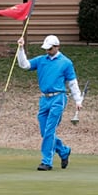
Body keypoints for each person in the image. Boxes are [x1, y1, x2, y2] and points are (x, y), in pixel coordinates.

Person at [16, 34, 84, 171]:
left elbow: (72, 82)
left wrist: (78, 100)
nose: (47, 51)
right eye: (46, 48)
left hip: (58, 98)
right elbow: (24, 65)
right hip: (44, 99)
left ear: (57, 47)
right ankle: (64, 150)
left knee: (49, 130)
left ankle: (46, 161)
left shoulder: (66, 62)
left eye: (50, 48)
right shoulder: (41, 60)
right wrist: (20, 49)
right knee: (44, 132)